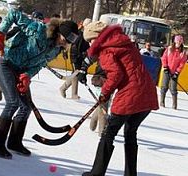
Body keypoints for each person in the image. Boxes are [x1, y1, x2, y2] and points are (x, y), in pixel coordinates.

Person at [0, 0, 79, 159]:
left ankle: (14, 142)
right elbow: (13, 14)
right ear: (59, 31)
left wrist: (27, 76)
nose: (66, 42)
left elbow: (39, 64)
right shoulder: (38, 29)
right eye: (66, 38)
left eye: (70, 41)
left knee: (25, 107)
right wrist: (0, 33)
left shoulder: (56, 49)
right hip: (5, 62)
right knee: (12, 103)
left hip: (20, 71)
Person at [77, 21, 159, 176]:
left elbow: (116, 74)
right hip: (147, 93)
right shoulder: (124, 43)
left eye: (90, 40)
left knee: (109, 133)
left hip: (130, 95)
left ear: (98, 37)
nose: (90, 44)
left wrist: (104, 93)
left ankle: (96, 173)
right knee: (130, 133)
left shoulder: (107, 50)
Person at [59, 19, 90, 99]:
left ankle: (64, 88)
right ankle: (73, 93)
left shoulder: (86, 34)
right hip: (75, 55)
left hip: (80, 56)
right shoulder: (80, 33)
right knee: (76, 73)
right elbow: (74, 45)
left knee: (76, 73)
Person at [160, 35, 187, 109]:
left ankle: (174, 104)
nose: (178, 42)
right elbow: (164, 58)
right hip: (167, 71)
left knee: (173, 88)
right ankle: (162, 101)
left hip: (175, 73)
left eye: (180, 41)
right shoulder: (169, 49)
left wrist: (176, 72)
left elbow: (182, 63)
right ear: (175, 41)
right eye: (177, 41)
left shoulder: (183, 52)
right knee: (164, 86)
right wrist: (165, 67)